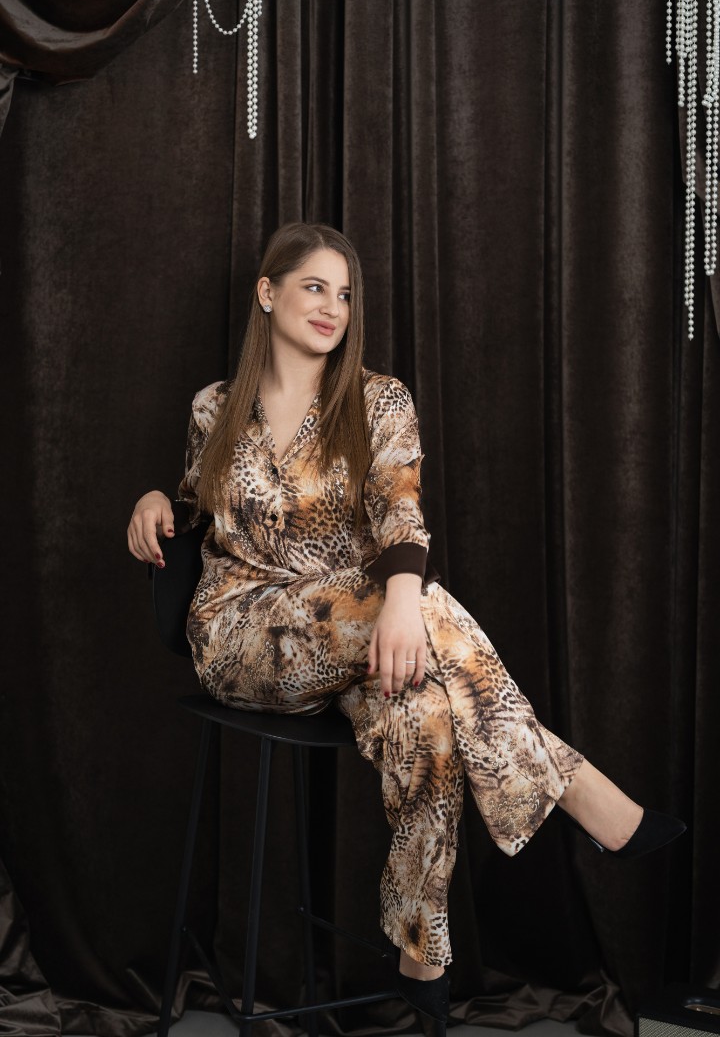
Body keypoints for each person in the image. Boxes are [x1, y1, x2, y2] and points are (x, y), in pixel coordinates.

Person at [127, 222, 685, 1023]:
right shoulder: (214, 407)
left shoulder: (378, 400)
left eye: (344, 293)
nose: (333, 306)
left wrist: (397, 602)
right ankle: (579, 791)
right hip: (242, 634)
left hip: (360, 637)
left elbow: (400, 512)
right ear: (268, 293)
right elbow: (194, 507)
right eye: (314, 286)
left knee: (428, 715)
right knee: (416, 608)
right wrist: (155, 499)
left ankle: (422, 947)